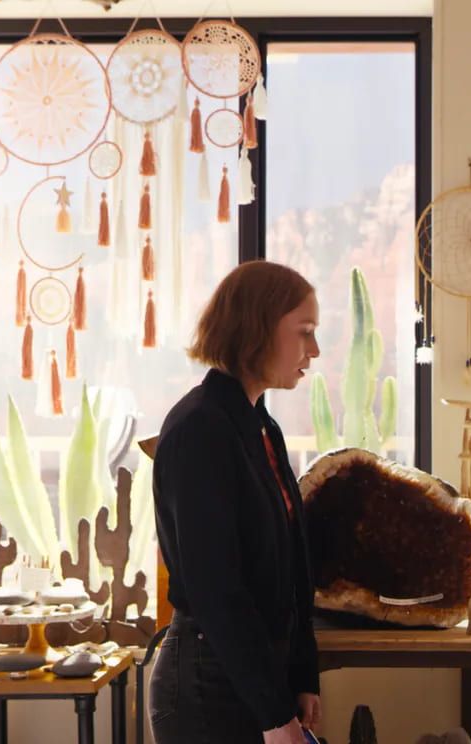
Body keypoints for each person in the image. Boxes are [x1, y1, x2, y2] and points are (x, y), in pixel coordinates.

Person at [149, 260, 323, 744]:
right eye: (305, 332)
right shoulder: (200, 428)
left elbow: (292, 563)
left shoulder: (262, 426)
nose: (314, 350)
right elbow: (216, 589)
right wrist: (274, 713)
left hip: (252, 673)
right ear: (258, 328)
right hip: (208, 686)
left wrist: (302, 676)